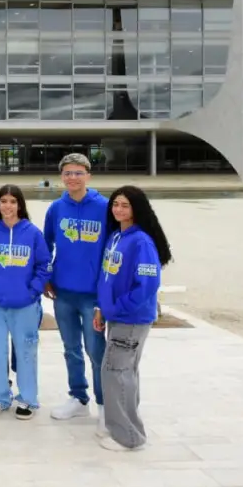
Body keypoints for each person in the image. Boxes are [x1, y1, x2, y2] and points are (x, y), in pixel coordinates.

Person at [94, 186, 171, 452]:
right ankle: (127, 429)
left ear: (136, 208)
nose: (118, 209)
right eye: (115, 204)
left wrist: (119, 308)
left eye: (125, 205)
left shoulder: (141, 242)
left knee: (115, 373)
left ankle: (128, 437)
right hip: (115, 316)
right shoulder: (116, 236)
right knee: (123, 372)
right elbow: (107, 277)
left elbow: (147, 284)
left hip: (131, 319)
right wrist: (101, 308)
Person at [43, 153, 109, 429]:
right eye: (68, 173)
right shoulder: (56, 208)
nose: (73, 178)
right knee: (71, 349)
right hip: (63, 292)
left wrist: (107, 294)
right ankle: (78, 397)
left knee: (96, 350)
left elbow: (113, 249)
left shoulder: (105, 207)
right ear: (62, 177)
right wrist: (46, 276)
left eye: (78, 173)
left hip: (93, 295)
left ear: (88, 176)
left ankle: (104, 404)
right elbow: (45, 245)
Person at [0, 184, 51, 420]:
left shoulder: (32, 233)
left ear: (20, 204)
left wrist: (33, 291)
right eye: (3, 201)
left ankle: (28, 399)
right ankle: (0, 397)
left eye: (12, 201)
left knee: (26, 351)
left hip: (25, 305)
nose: (8, 206)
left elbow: (44, 265)